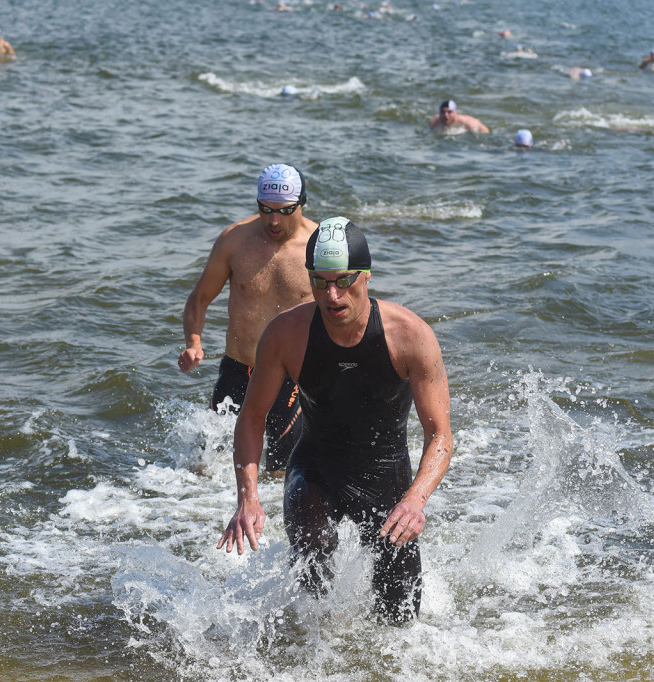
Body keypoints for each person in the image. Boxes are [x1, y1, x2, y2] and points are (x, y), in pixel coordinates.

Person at [217, 217, 453, 624]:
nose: (332, 295)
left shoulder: (410, 335)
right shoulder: (286, 334)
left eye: (343, 280)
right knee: (313, 559)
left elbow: (441, 436)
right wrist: (248, 498)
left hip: (386, 477)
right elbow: (252, 419)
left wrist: (415, 500)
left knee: (399, 620)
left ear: (365, 276)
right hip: (316, 468)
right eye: (319, 281)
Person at [179, 164, 317, 472]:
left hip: (294, 375)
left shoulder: (319, 246)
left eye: (283, 211)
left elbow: (349, 307)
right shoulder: (234, 240)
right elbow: (199, 298)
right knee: (203, 466)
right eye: (265, 209)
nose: (273, 220)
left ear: (301, 204)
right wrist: (193, 341)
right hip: (239, 370)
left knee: (282, 471)